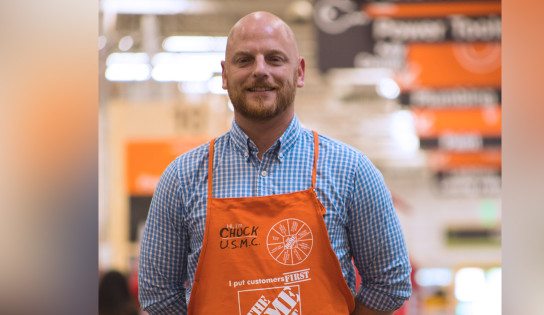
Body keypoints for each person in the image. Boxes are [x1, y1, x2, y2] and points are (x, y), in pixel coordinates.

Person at [139, 11, 411, 315]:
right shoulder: (182, 178)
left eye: (275, 59)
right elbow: (159, 295)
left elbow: (390, 283)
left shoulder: (350, 170)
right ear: (225, 75)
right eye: (244, 60)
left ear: (300, 72)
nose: (260, 70)